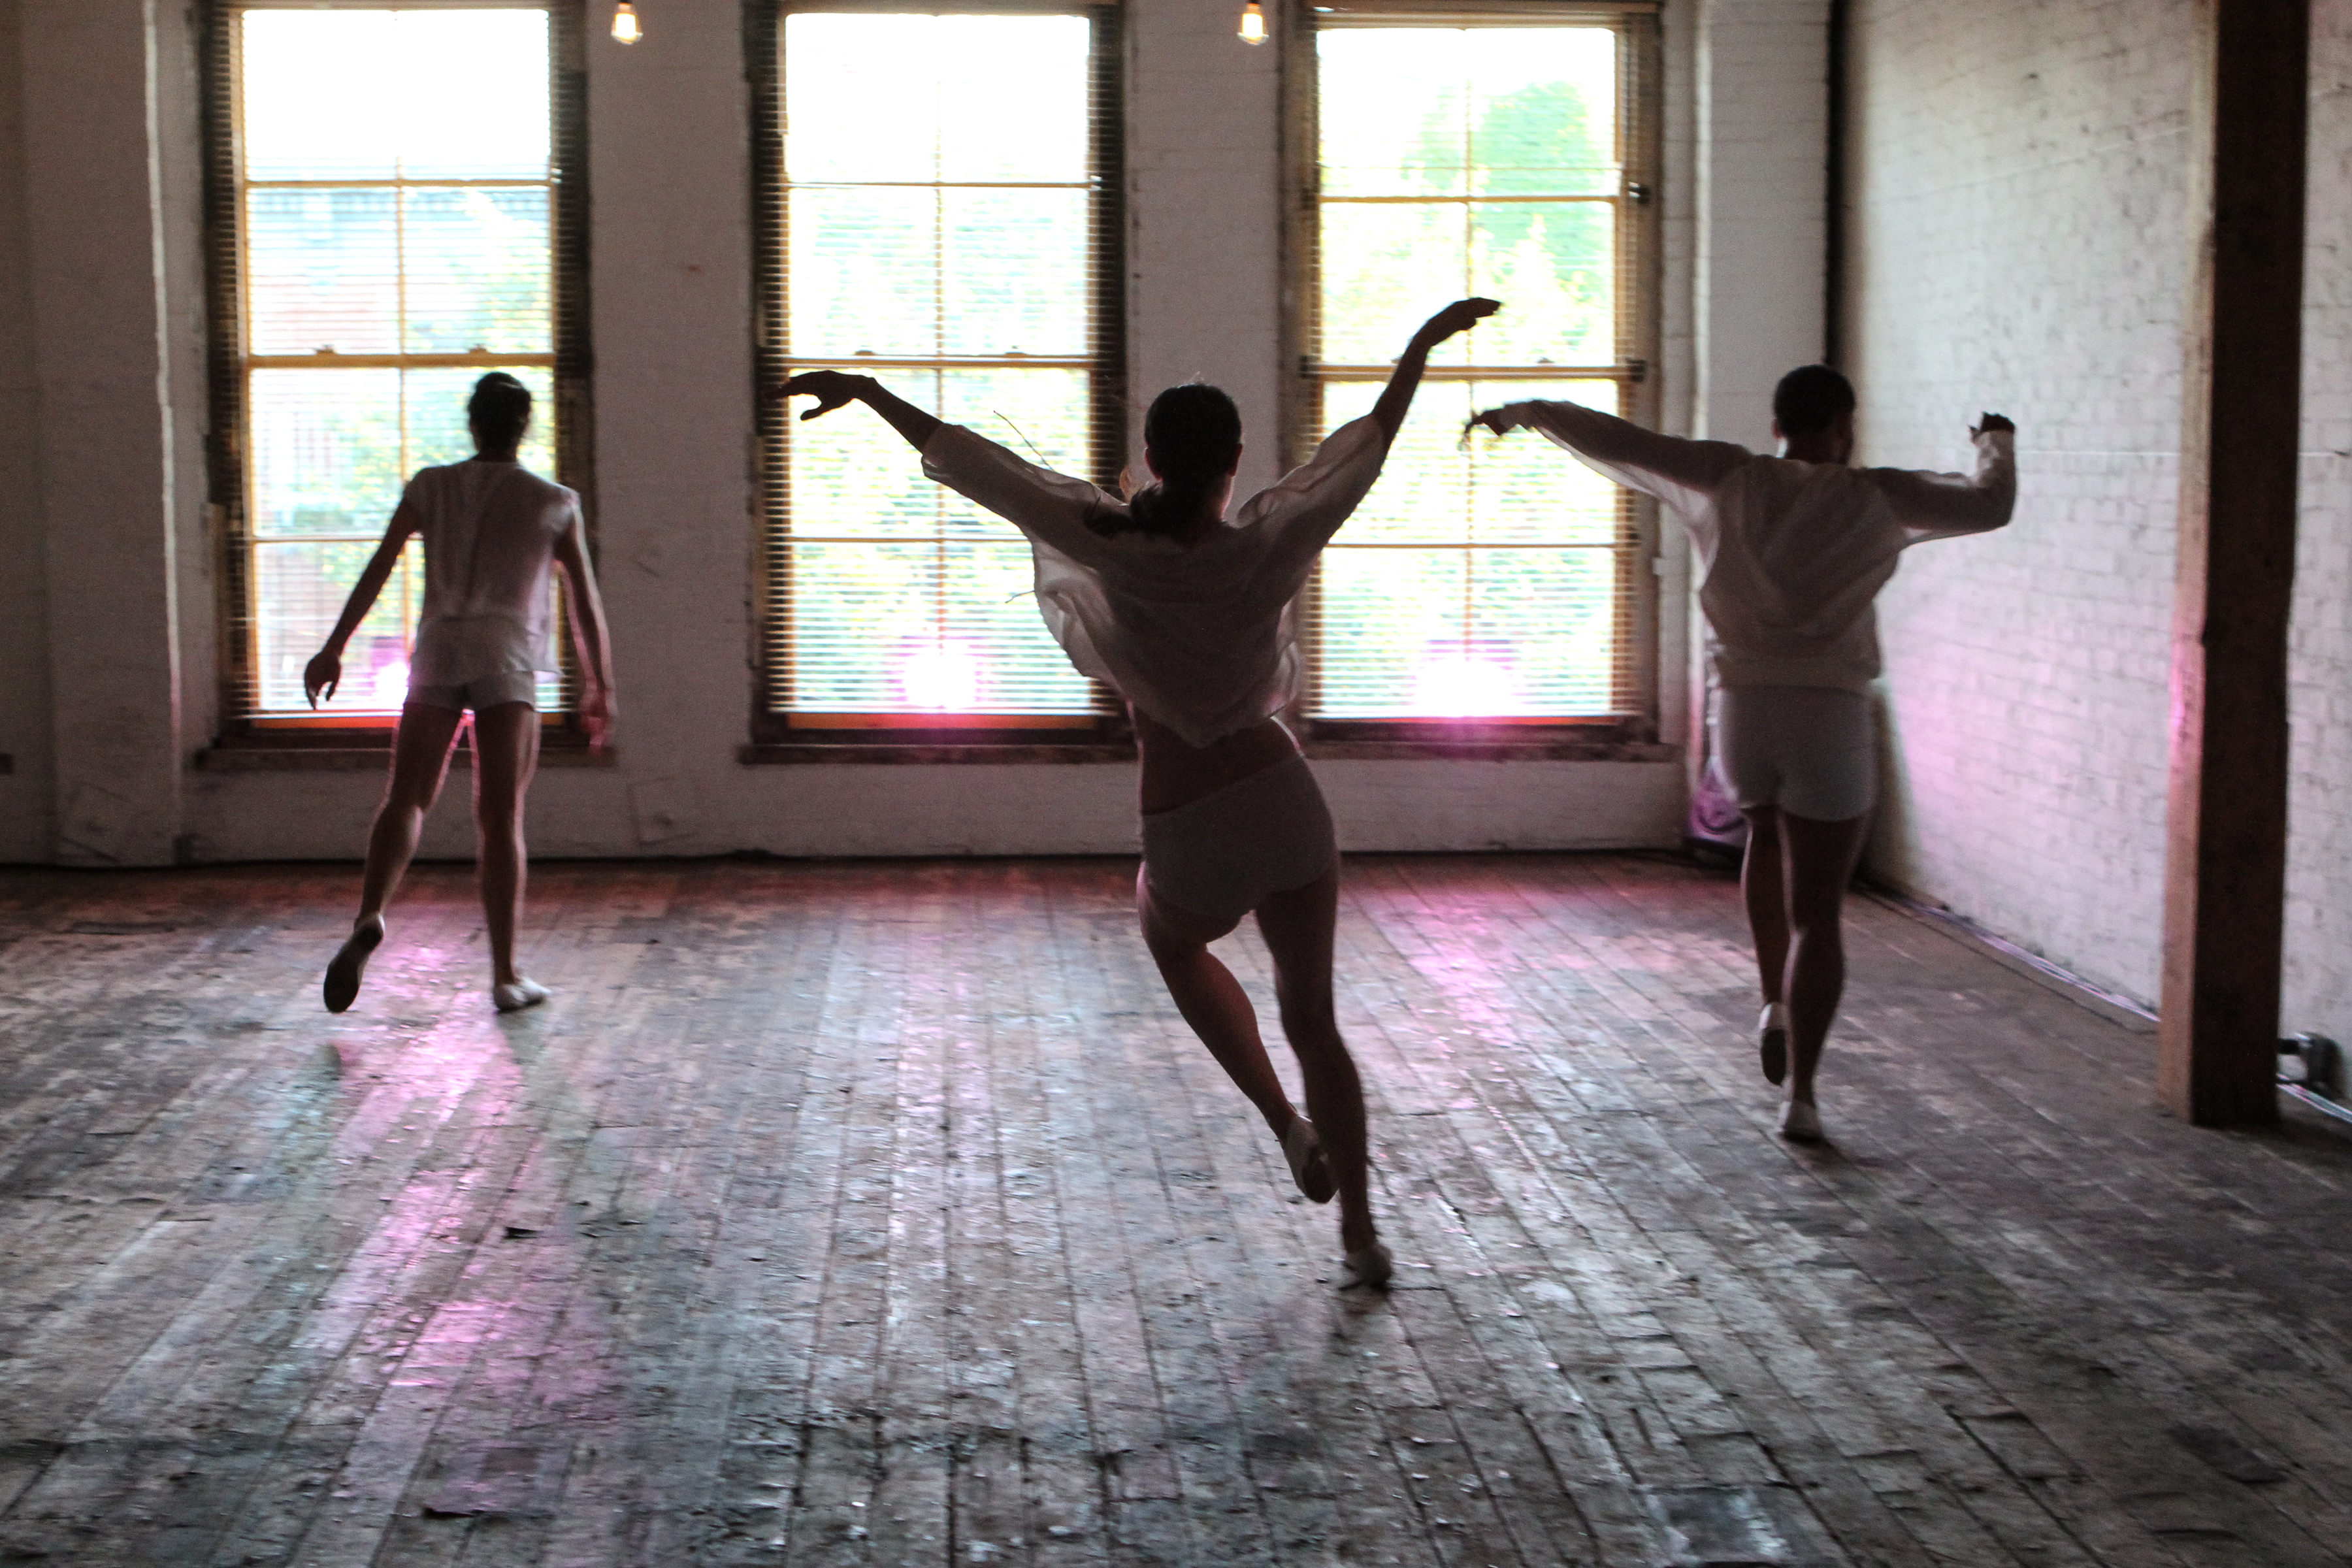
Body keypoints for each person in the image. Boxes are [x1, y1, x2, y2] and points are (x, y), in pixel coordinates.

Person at [782, 298, 1499, 1285]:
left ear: (1152, 459)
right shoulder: (1266, 544)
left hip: (1186, 816)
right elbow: (1363, 452)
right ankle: (1364, 1236)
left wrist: (869, 394)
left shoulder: (1110, 543)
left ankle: (1285, 1126)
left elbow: (987, 470)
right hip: (1283, 796)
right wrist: (1418, 346)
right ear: (1235, 460)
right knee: (1315, 1019)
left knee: (1171, 937)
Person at [1470, 367, 2014, 1142]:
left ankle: (1774, 1000)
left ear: (1776, 422)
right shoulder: (1879, 495)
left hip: (1745, 715)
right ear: (1845, 424)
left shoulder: (1730, 478)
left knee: (1762, 834)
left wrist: (1529, 411)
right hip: (1830, 713)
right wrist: (1997, 441)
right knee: (1819, 912)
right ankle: (1804, 1099)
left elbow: (1623, 443)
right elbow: (1991, 504)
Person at [304, 372, 615, 1016]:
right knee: (499, 815)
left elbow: (380, 565)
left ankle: (371, 913)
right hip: (507, 657)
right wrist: (600, 685)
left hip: (441, 648)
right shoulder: (554, 502)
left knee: (407, 798)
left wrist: (334, 646)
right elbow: (586, 605)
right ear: (522, 426)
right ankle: (505, 974)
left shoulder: (431, 486)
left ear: (472, 424)